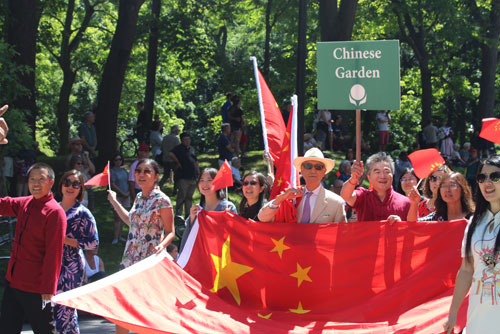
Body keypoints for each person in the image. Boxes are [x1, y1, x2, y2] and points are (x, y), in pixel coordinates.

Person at [107, 159, 174, 334]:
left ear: (156, 176)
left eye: (146, 171)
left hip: (149, 260)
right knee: (123, 305)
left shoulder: (162, 200)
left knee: (148, 306)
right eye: (138, 171)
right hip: (130, 258)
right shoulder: (138, 197)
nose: (141, 175)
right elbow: (131, 223)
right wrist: (114, 202)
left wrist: (161, 246)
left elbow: (170, 232)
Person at [0, 162, 67, 333]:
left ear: (51, 183)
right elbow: (2, 204)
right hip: (13, 282)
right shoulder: (26, 203)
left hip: (36, 288)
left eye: (41, 179)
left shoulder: (55, 212)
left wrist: (48, 289)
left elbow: (54, 254)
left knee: (44, 330)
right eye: (32, 179)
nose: (35, 184)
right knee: (7, 328)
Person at [443, 156, 500, 334]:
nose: (487, 182)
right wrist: (453, 313)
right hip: (478, 316)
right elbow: (467, 270)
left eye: (495, 176)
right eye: (482, 178)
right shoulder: (475, 223)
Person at [53, 169, 99, 333]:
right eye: (67, 182)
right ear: (61, 185)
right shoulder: (53, 209)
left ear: (80, 189)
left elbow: (93, 242)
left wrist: (66, 240)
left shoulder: (83, 213)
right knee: (52, 311)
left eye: (75, 184)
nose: (70, 187)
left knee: (67, 311)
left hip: (71, 266)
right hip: (51, 265)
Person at [258, 147, 346, 223]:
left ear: (324, 172)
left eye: (318, 167)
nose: (313, 171)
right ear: (301, 170)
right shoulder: (290, 197)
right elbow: (262, 217)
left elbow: (342, 235)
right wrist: (281, 198)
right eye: (308, 166)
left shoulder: (337, 203)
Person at [179, 168, 238, 253]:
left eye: (210, 180)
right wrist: (192, 219)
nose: (205, 184)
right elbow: (189, 236)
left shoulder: (227, 207)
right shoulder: (197, 209)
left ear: (218, 183)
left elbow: (235, 235)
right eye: (202, 180)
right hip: (201, 255)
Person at [340, 152, 411, 223]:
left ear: (392, 175)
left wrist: (401, 225)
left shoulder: (406, 203)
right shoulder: (363, 196)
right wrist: (354, 178)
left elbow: (413, 230)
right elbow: (346, 196)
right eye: (377, 172)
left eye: (386, 172)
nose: (382, 176)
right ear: (369, 177)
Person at [408, 172, 474, 222]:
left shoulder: (473, 218)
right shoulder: (437, 217)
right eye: (444, 186)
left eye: (452, 185)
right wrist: (414, 204)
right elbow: (414, 225)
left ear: (463, 189)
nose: (447, 190)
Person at [170, 133, 199, 217]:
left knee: (189, 197)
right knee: (181, 196)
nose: (187, 141)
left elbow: (195, 160)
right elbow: (170, 154)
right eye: (185, 140)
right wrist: (177, 162)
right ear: (182, 140)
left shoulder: (191, 149)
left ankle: (188, 214)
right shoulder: (178, 148)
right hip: (183, 177)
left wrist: (198, 170)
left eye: (189, 139)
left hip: (192, 177)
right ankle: (178, 214)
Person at [110, 153, 130, 245]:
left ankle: (120, 236)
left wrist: (128, 193)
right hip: (117, 196)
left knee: (123, 217)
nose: (118, 161)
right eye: (116, 160)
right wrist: (122, 193)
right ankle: (115, 237)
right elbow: (113, 185)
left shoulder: (124, 171)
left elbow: (129, 182)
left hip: (126, 196)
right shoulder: (112, 171)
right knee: (117, 217)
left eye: (120, 159)